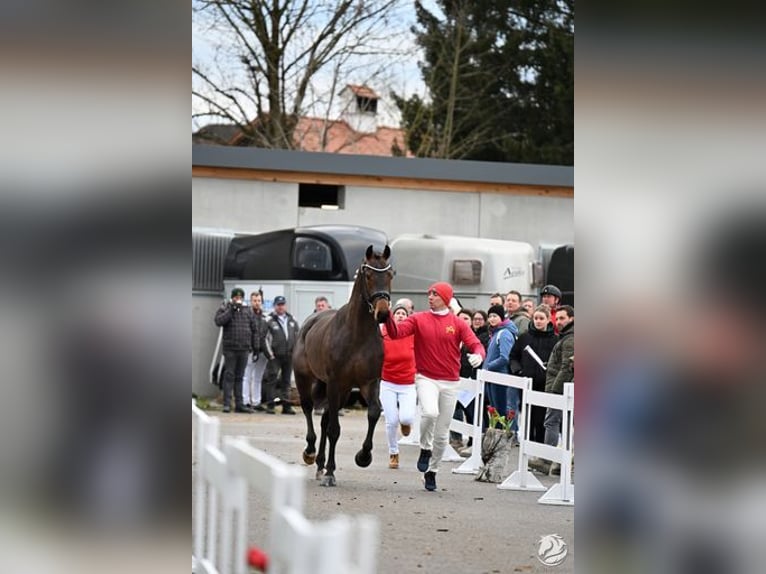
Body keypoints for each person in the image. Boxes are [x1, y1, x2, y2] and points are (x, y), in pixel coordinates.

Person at [385, 281, 486, 491]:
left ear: (446, 298)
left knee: (442, 434)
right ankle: (424, 448)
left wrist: (479, 354)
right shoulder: (418, 319)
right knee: (430, 413)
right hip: (426, 378)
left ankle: (432, 471)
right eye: (429, 293)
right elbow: (395, 333)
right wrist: (386, 315)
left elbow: (475, 342)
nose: (430, 297)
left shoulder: (457, 323)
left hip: (450, 382)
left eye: (435, 294)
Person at [529, 305, 574, 475]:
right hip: (563, 386)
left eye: (563, 318)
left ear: (572, 319)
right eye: (558, 318)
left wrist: (555, 392)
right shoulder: (567, 337)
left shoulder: (570, 338)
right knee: (564, 424)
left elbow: (567, 367)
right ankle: (559, 463)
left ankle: (548, 459)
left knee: (551, 422)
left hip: (561, 389)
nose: (559, 321)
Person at [509, 304, 558, 443]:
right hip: (527, 383)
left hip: (545, 385)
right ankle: (528, 448)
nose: (538, 321)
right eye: (536, 318)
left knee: (542, 418)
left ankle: (541, 449)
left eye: (541, 318)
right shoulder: (524, 337)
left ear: (548, 320)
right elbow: (513, 356)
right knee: (528, 417)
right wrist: (518, 371)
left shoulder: (555, 340)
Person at [379, 303, 417, 469]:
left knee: (407, 417)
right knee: (391, 421)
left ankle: (406, 423)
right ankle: (393, 452)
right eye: (398, 313)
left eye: (404, 313)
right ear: (392, 317)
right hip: (387, 382)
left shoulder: (413, 333)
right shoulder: (383, 332)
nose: (401, 315)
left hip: (408, 383)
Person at [214, 288, 260, 413]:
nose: (238, 300)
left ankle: (239, 404)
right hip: (230, 349)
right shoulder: (225, 307)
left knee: (240, 377)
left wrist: (256, 348)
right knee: (229, 375)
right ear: (232, 297)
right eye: (236, 297)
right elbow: (219, 321)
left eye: (240, 298)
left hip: (244, 349)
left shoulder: (247, 310)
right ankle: (227, 403)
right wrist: (232, 309)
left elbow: (254, 330)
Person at [483, 304, 519, 436]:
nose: (491, 319)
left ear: (501, 317)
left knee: (500, 409)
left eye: (495, 316)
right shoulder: (496, 333)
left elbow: (505, 357)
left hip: (500, 377)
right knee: (494, 410)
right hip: (492, 376)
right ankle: (497, 437)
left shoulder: (504, 334)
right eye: (490, 316)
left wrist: (488, 366)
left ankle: (502, 437)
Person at [262, 295, 300, 414]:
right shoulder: (269, 320)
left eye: (282, 304)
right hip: (275, 355)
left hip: (289, 355)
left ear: (285, 306)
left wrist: (295, 352)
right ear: (275, 306)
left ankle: (286, 406)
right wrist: (270, 354)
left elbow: (297, 336)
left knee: (286, 381)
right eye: (278, 305)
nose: (280, 307)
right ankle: (271, 405)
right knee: (271, 380)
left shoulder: (292, 319)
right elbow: (264, 338)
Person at [242, 290, 269, 411]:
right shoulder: (246, 314)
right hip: (251, 349)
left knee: (258, 377)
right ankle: (245, 400)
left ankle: (256, 402)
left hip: (263, 351)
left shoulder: (265, 317)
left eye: (259, 301)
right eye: (254, 301)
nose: (257, 303)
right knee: (247, 376)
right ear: (250, 301)